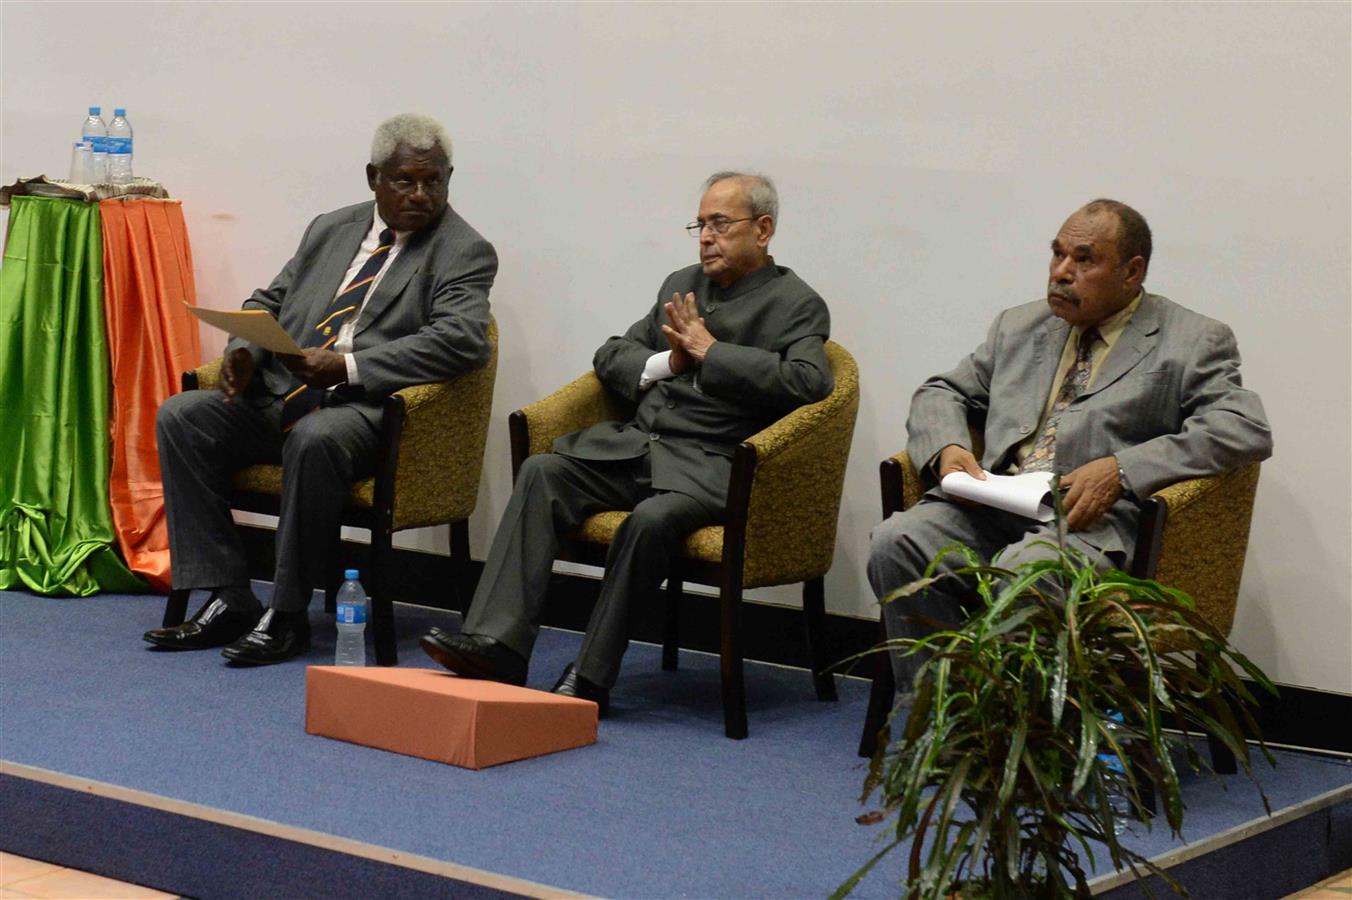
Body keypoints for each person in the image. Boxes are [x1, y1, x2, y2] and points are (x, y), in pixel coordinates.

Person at [419, 171, 832, 712]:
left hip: (712, 466)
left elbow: (810, 382)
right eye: (700, 224)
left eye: (720, 224)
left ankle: (592, 674)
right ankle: (498, 645)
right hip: (641, 447)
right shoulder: (681, 284)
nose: (706, 237)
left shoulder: (797, 303)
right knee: (543, 473)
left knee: (650, 521)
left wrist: (714, 353)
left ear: (764, 229)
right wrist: (669, 361)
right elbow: (612, 355)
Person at [868, 199, 1272, 687]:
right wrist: (948, 447)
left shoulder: (1191, 340)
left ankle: (1017, 741)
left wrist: (1122, 468)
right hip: (993, 504)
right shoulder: (1019, 326)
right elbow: (944, 391)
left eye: (1084, 260)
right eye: (1057, 255)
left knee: (1024, 573)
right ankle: (934, 723)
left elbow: (1242, 427)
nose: (1061, 273)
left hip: (1086, 523)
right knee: (896, 542)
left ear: (1132, 271)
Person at [143, 113, 497, 666]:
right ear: (373, 177)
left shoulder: (464, 250)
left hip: (366, 408)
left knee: (315, 438)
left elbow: (462, 341)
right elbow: (270, 299)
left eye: (435, 181)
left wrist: (350, 366)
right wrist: (244, 350)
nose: (421, 195)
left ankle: (286, 615)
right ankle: (229, 594)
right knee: (182, 415)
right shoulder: (331, 228)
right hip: (284, 392)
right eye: (405, 180)